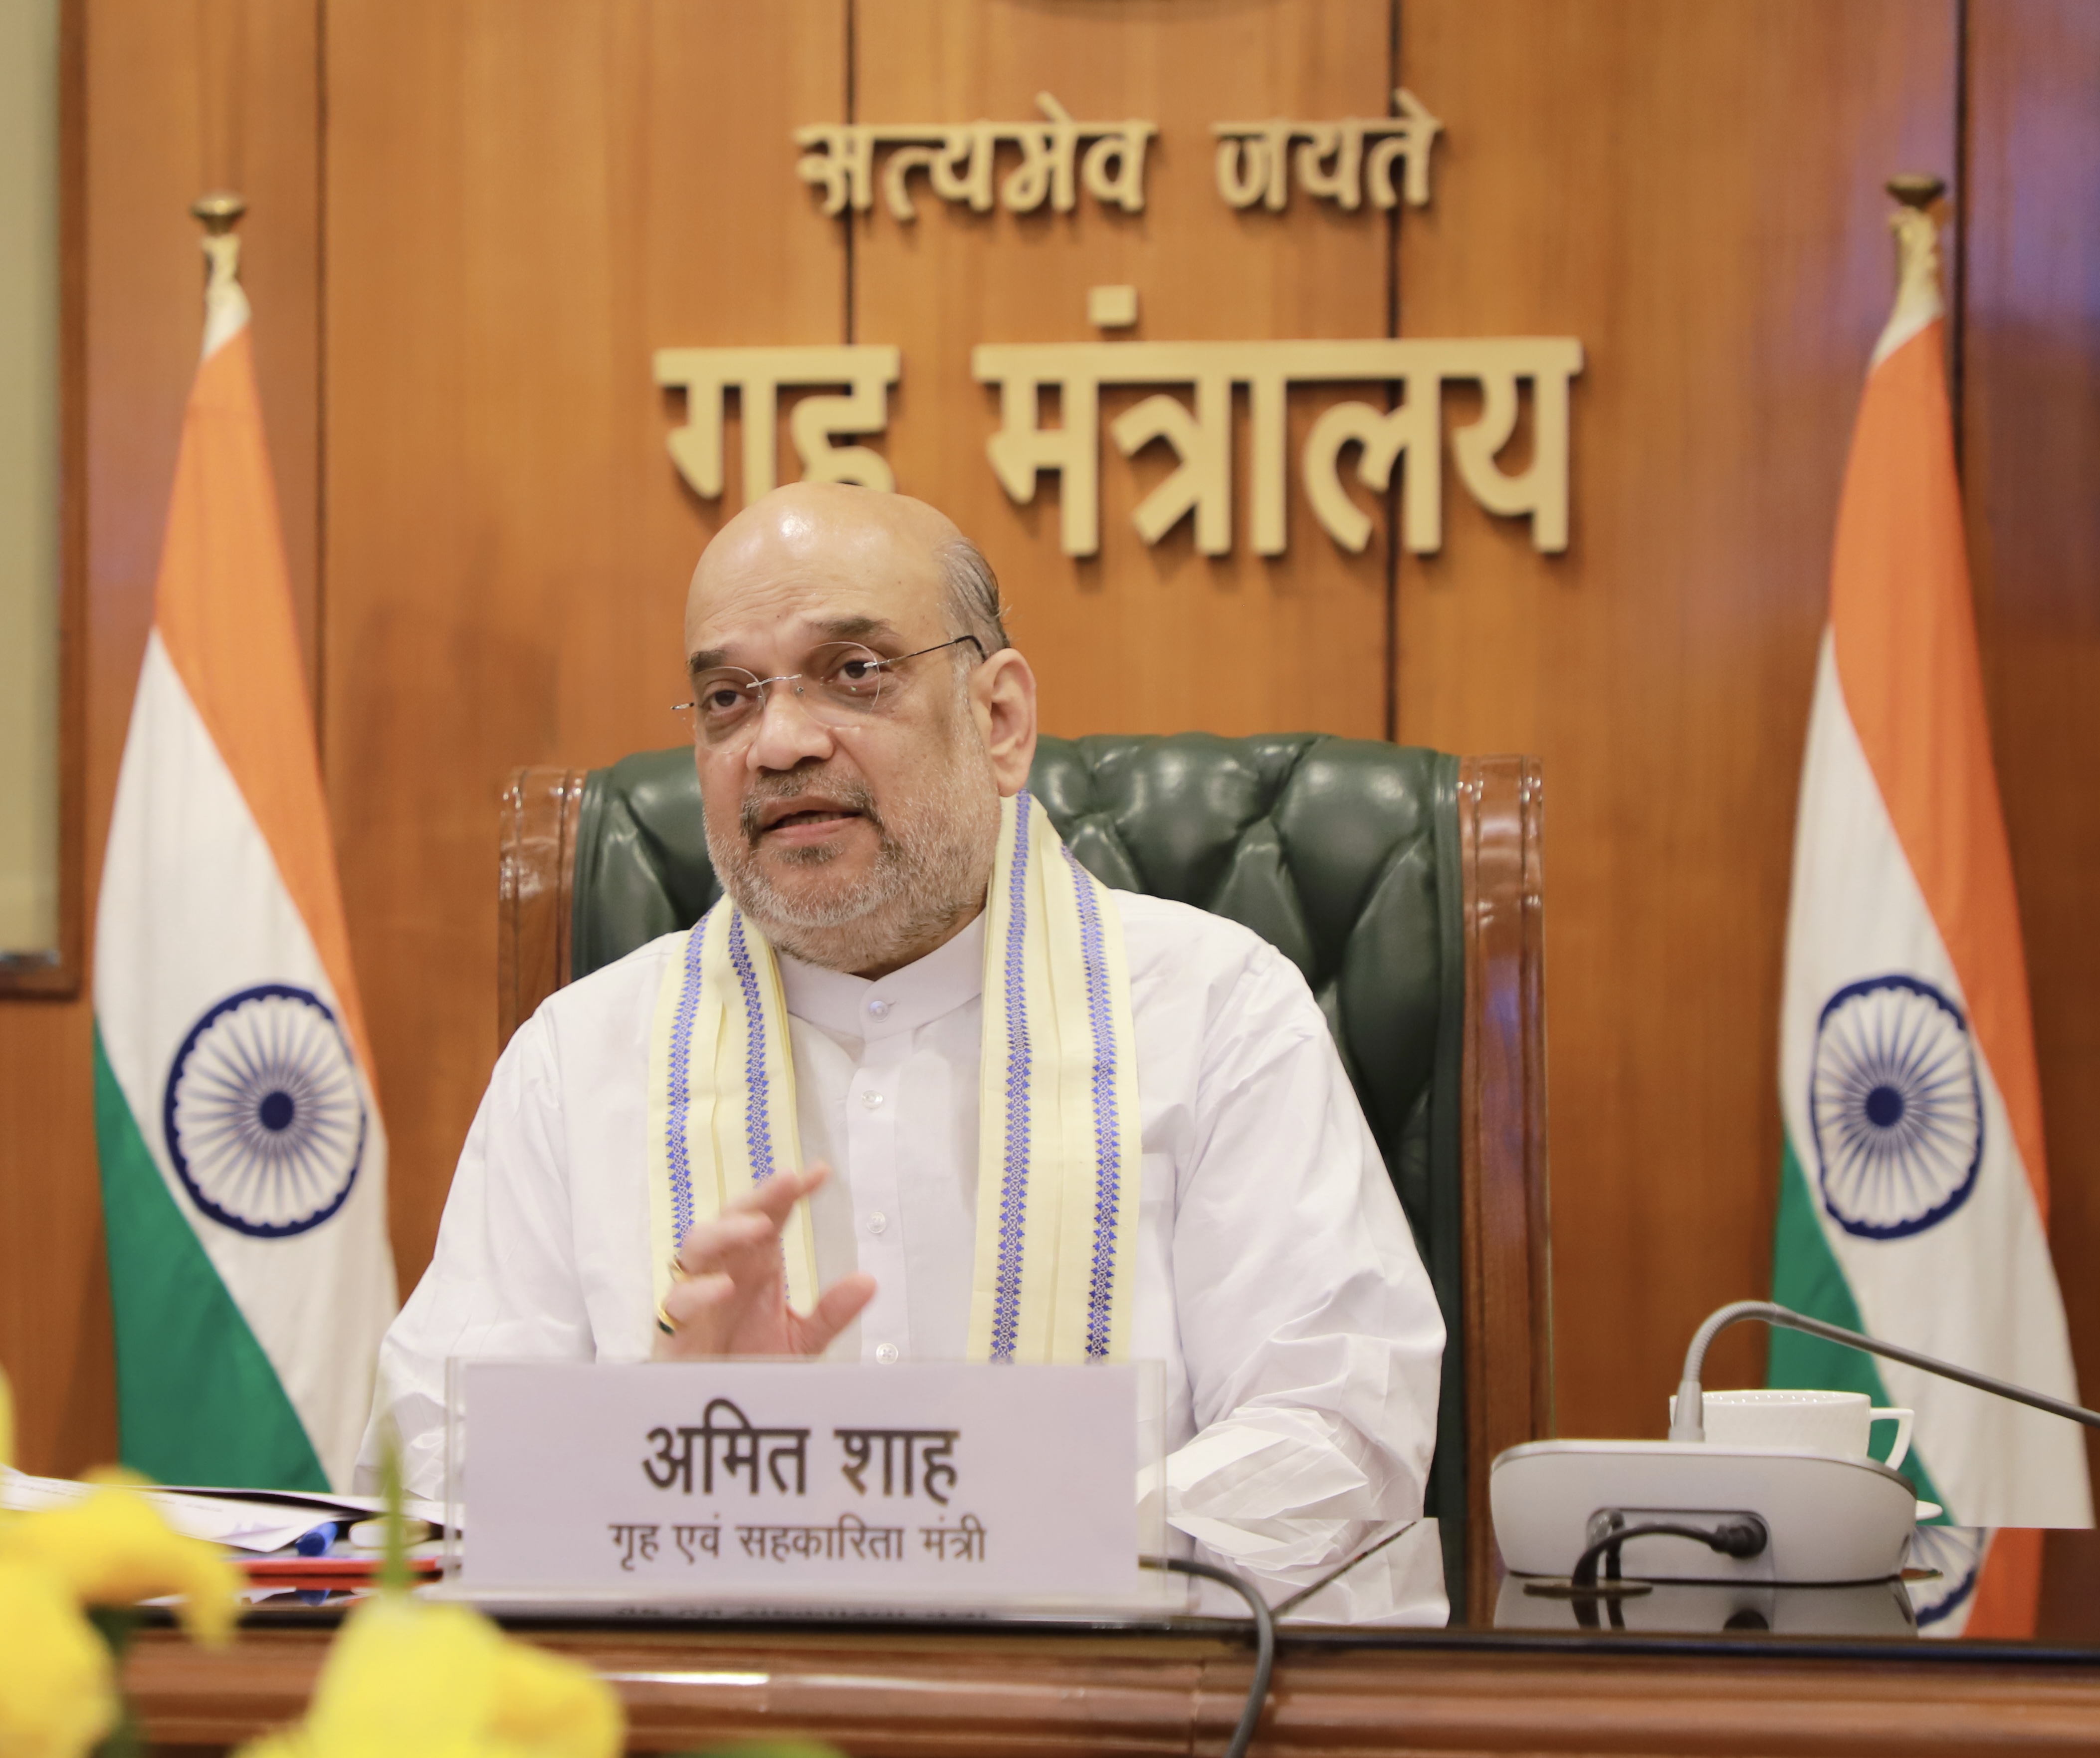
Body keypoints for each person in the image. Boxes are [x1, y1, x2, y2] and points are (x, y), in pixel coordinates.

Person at [359, 482, 1444, 1586]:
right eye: (727, 697)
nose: (777, 741)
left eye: (854, 672)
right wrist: (657, 1447)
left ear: (999, 720)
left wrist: (956, 1539)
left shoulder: (1217, 1011)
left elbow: (1339, 1435)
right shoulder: (576, 1059)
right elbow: (429, 1477)